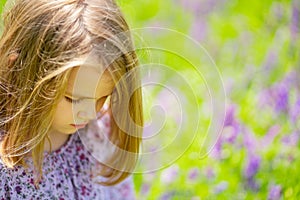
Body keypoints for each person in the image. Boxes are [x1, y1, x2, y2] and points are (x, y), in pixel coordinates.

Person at [0, 0, 143, 198]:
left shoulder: (101, 133)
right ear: (20, 71)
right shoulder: (5, 162)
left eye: (103, 97)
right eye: (73, 99)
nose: (91, 112)